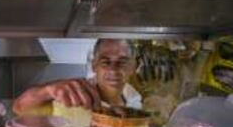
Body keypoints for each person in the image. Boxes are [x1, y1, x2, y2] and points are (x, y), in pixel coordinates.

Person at [13, 39, 141, 116]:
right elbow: (19, 108)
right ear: (94, 65)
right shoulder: (74, 96)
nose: (113, 69)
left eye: (122, 62)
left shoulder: (135, 98)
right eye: (105, 61)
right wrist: (47, 91)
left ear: (133, 67)